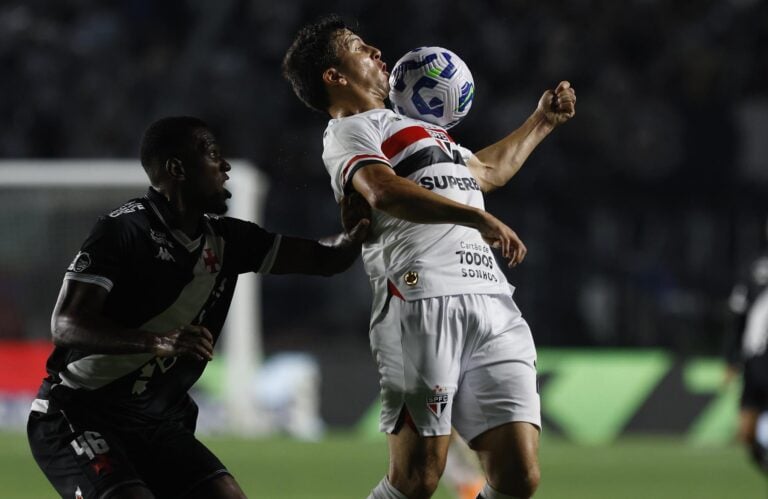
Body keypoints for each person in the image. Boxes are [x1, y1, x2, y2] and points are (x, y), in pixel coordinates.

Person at [283, 15, 575, 499]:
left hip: (491, 299)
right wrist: (477, 220)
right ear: (334, 76)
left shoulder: (423, 132)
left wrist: (542, 120)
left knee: (519, 476)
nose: (377, 50)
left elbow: (485, 172)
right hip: (420, 296)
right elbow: (381, 189)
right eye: (358, 46)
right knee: (417, 478)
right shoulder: (349, 131)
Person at [26, 116, 369, 499]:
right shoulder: (123, 230)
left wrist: (359, 228)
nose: (225, 167)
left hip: (155, 422)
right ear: (177, 168)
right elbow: (67, 325)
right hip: (81, 413)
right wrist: (156, 341)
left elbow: (326, 259)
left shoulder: (229, 240)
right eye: (211, 154)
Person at [725, 222, 768, 473]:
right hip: (754, 360)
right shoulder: (752, 267)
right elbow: (737, 317)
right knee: (746, 432)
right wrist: (731, 359)